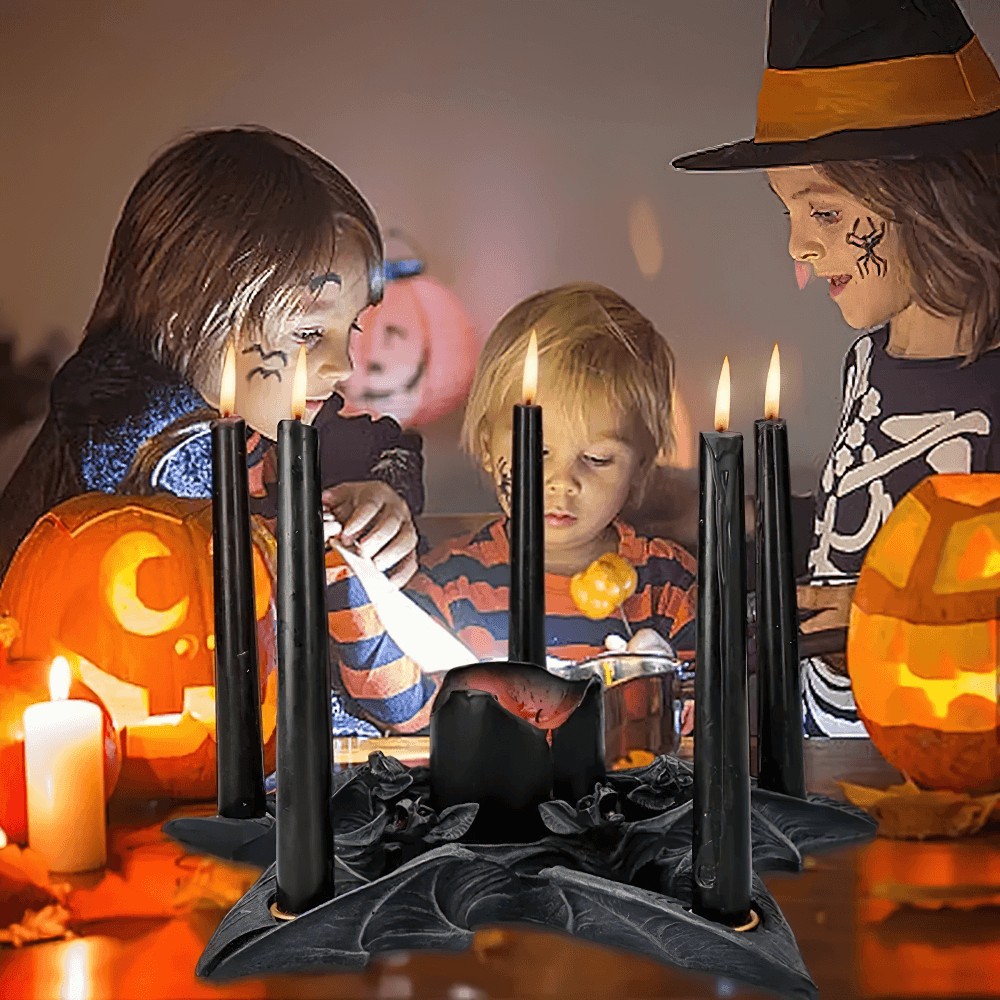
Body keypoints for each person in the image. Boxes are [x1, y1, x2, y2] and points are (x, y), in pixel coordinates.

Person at [0, 126, 425, 734]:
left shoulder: (272, 418)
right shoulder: (122, 423)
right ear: (200, 308)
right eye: (309, 334)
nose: (345, 366)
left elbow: (379, 445)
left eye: (349, 330)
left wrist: (383, 495)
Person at [674, 0, 1000, 734]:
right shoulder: (869, 360)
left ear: (931, 198)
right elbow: (855, 520)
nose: (796, 246)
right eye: (785, 211)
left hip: (939, 764)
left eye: (822, 213)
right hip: (827, 760)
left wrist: (897, 617)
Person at [327, 282, 698, 733]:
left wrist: (650, 686)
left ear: (641, 467)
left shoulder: (668, 586)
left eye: (598, 459)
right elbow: (406, 712)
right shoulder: (453, 582)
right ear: (487, 445)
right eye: (536, 451)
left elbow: (709, 716)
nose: (563, 482)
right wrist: (351, 587)